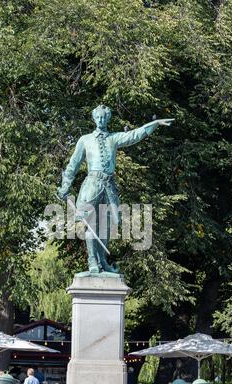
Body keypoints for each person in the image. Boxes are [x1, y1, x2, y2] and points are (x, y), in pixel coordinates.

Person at [57, 105, 174, 273]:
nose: (101, 120)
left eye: (104, 118)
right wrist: (65, 186)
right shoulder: (85, 140)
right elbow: (73, 164)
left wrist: (154, 124)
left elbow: (133, 135)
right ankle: (92, 261)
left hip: (109, 186)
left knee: (107, 224)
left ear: (108, 119)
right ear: (94, 118)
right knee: (89, 224)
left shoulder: (114, 138)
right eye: (98, 117)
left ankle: (102, 261)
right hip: (92, 185)